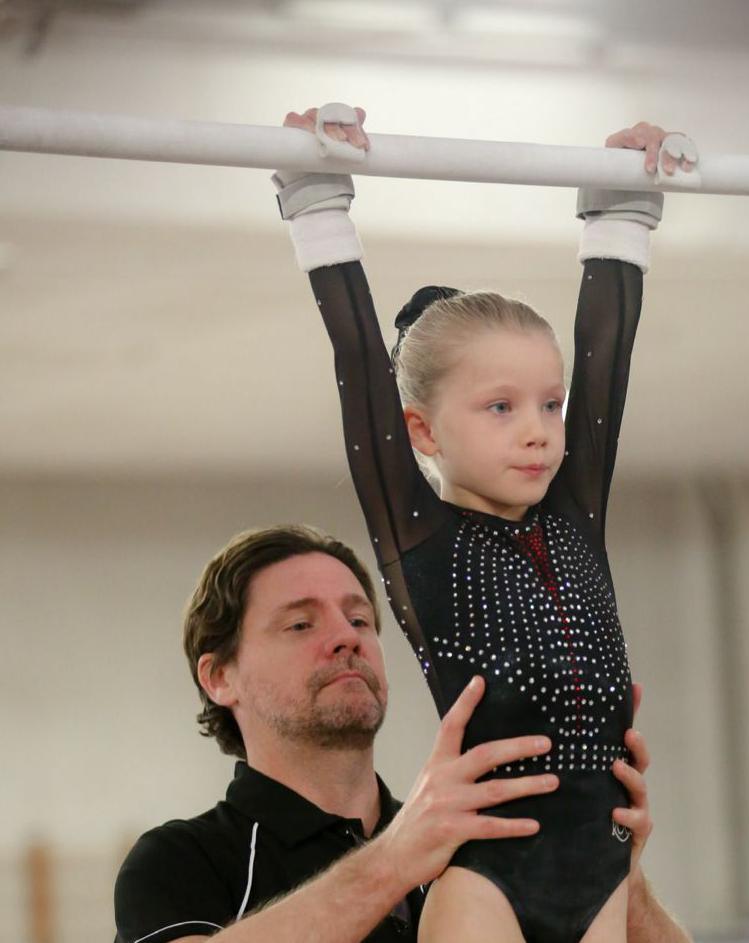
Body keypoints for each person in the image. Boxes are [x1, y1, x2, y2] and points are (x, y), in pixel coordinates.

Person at [271, 104, 697, 943]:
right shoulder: (422, 537)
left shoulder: (575, 517)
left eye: (548, 401)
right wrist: (318, 198)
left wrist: (619, 208)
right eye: (500, 406)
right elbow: (360, 363)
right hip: (490, 881)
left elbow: (607, 360)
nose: (538, 428)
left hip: (604, 871)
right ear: (423, 431)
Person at [113, 524, 690, 943]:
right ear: (219, 677)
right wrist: (395, 859)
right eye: (300, 623)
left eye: (360, 619)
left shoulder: (474, 841)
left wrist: (613, 874)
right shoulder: (180, 860)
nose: (347, 637)